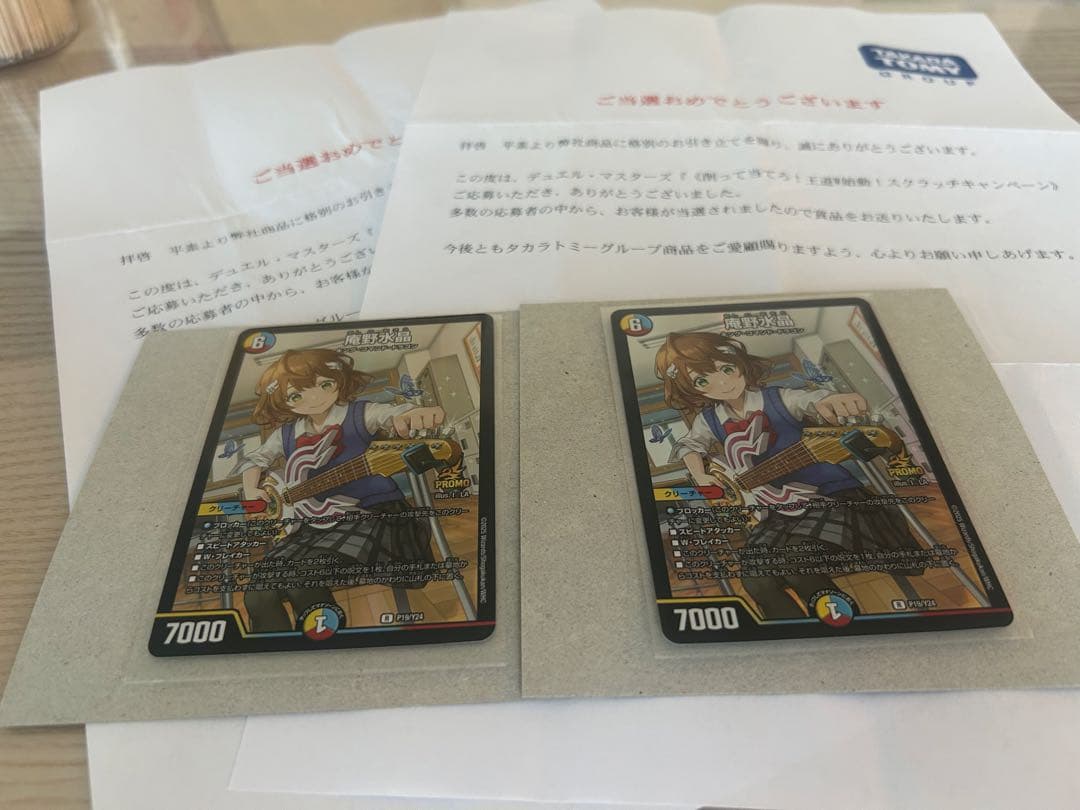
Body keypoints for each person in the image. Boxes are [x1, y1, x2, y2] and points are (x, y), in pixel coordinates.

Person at [657, 331, 923, 619]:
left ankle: (841, 623)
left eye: (727, 369)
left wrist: (832, 401)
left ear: (739, 363)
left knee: (796, 564)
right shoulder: (708, 420)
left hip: (830, 497)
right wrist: (700, 475)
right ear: (692, 390)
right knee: (756, 579)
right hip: (776, 512)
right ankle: (792, 632)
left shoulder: (780, 398)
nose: (722, 383)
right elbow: (688, 445)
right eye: (702, 380)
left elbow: (813, 400)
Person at [237, 348, 444, 632]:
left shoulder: (361, 413)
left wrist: (414, 414)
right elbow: (253, 460)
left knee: (301, 578)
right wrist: (251, 489)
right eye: (296, 396)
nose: (314, 398)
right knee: (257, 595)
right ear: (283, 402)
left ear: (338, 380)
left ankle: (328, 641)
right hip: (310, 525)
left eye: (324, 384)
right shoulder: (284, 434)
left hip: (372, 516)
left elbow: (393, 414)